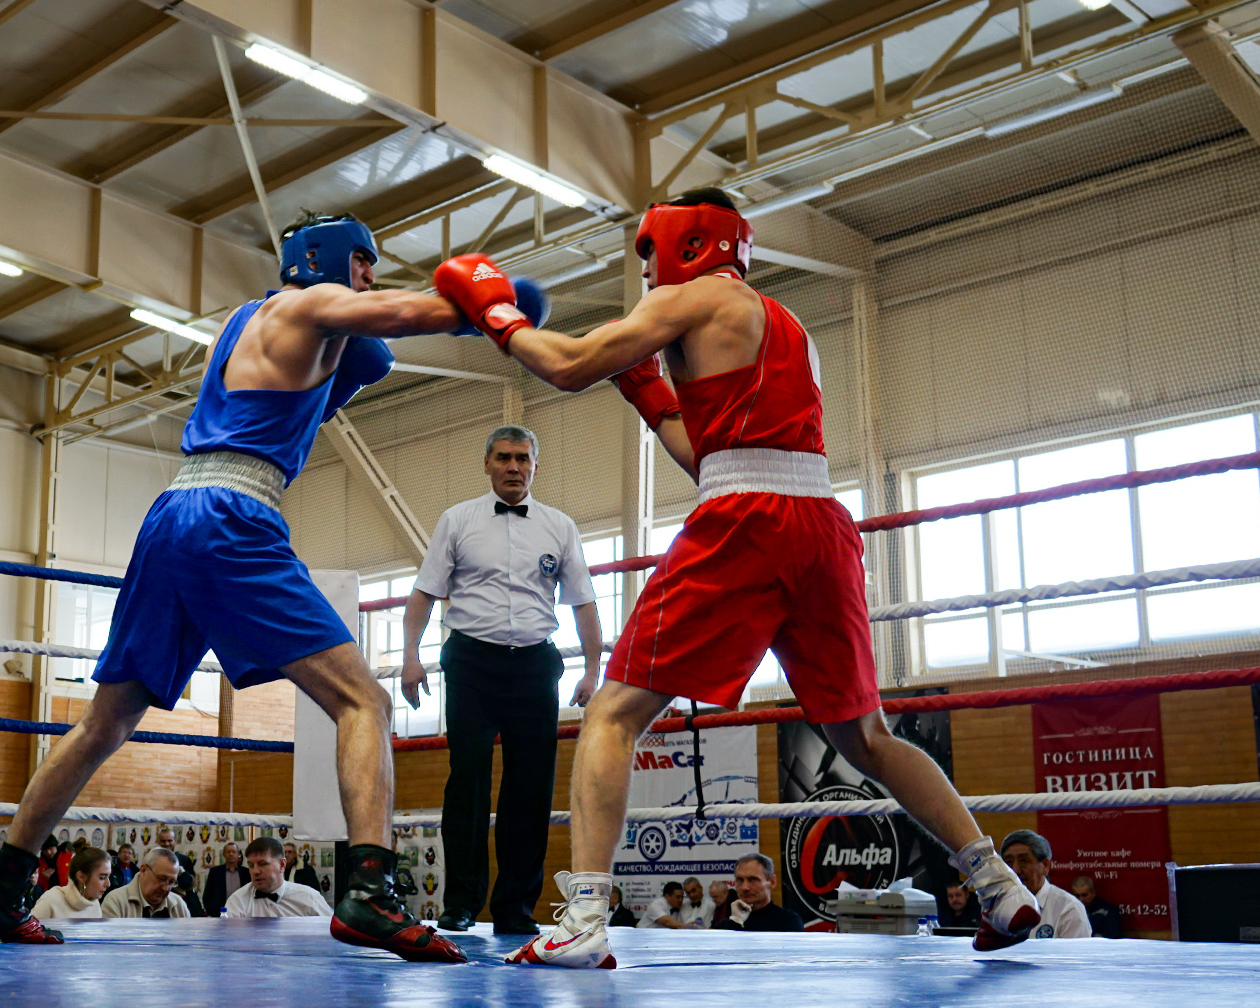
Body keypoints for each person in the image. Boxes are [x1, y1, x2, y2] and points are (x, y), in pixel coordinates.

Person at [435, 190, 1041, 967]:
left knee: (613, 714)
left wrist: (498, 315)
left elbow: (569, 366)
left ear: (685, 241)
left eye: (648, 251)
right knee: (867, 735)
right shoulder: (784, 325)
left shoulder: (694, 296)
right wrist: (653, 396)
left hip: (746, 524)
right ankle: (996, 883)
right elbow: (713, 455)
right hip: (821, 522)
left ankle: (583, 920)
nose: (645, 267)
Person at [0, 210, 498, 963]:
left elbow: (356, 365)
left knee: (106, 723)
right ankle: (370, 893)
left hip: (174, 511)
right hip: (232, 515)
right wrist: (489, 303)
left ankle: (0, 884)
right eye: (365, 261)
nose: (372, 275)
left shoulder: (252, 323)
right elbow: (409, 314)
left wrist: (371, 342)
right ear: (330, 262)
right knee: (363, 701)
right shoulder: (307, 303)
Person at [404, 424, 599, 935]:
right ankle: (461, 902)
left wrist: (594, 669)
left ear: (535, 466)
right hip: (470, 662)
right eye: (504, 458)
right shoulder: (457, 519)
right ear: (487, 463)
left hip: (535, 664)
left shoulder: (559, 525)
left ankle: (515, 908)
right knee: (466, 782)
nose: (514, 467)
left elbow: (583, 602)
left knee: (530, 788)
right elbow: (424, 592)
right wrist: (409, 656)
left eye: (523, 459)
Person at [1001, 831, 1091, 939]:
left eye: (1023, 861)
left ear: (1045, 865)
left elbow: (1075, 955)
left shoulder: (1068, 908)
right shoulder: (998, 906)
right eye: (1008, 862)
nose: (1015, 870)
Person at [224, 837, 333, 918]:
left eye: (262, 864)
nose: (255, 871)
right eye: (251, 865)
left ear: (282, 865)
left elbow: (332, 936)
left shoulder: (309, 898)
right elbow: (228, 943)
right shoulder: (238, 901)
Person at [714, 854, 803, 932]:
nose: (745, 887)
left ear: (772, 882)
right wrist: (735, 922)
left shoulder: (788, 922)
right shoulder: (723, 927)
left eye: (753, 879)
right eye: (740, 880)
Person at [99, 847, 191, 919]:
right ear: (143, 870)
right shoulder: (116, 902)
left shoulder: (178, 905)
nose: (166, 888)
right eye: (162, 879)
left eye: (171, 882)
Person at [30, 846, 110, 920]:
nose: (108, 884)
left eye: (108, 877)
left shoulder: (95, 906)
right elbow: (29, 933)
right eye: (102, 878)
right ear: (81, 877)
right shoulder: (51, 900)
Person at [203, 841, 250, 916]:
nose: (231, 854)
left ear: (238, 854)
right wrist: (212, 912)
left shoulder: (246, 873)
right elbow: (207, 895)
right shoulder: (215, 872)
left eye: (233, 852)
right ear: (223, 854)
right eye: (228, 852)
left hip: (242, 914)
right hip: (220, 914)